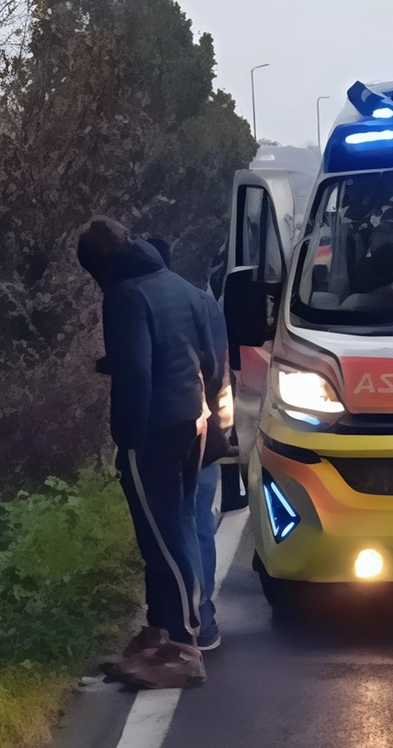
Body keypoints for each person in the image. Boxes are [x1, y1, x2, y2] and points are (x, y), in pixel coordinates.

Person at [79, 217, 219, 688]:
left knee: (164, 541)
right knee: (175, 526)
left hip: (154, 431)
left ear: (98, 265)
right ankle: (160, 639)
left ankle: (182, 647)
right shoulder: (176, 284)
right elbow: (210, 360)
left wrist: (126, 438)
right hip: (193, 422)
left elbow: (137, 373)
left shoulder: (124, 295)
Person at [146, 236, 231, 648]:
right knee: (200, 525)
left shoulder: (149, 303)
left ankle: (189, 622)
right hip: (210, 431)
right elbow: (219, 368)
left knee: (179, 524)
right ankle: (205, 617)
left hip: (178, 432)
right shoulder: (203, 302)